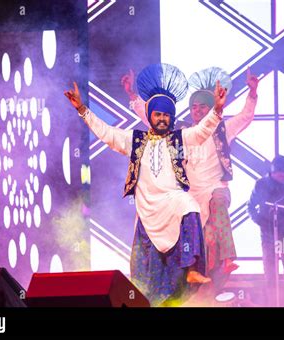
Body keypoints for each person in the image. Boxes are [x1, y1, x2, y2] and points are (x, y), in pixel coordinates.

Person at [64, 63, 228, 306]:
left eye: (166, 115)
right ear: (150, 116)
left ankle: (192, 266)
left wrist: (216, 110)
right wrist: (82, 110)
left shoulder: (179, 137)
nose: (162, 119)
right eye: (158, 115)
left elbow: (202, 131)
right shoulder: (135, 140)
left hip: (173, 203)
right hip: (147, 210)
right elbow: (107, 133)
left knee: (189, 204)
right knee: (146, 278)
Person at [122, 67, 258, 289]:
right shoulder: (182, 133)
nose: (197, 111)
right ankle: (170, 275)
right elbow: (151, 121)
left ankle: (228, 258)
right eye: (193, 107)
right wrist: (132, 95)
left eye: (202, 106)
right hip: (188, 193)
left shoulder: (223, 129)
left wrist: (252, 93)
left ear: (212, 107)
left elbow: (245, 117)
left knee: (218, 201)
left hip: (215, 187)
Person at [247, 155, 284, 305]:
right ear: (273, 172)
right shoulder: (261, 184)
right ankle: (272, 304)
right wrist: (260, 221)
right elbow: (250, 207)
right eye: (281, 176)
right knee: (270, 274)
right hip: (268, 235)